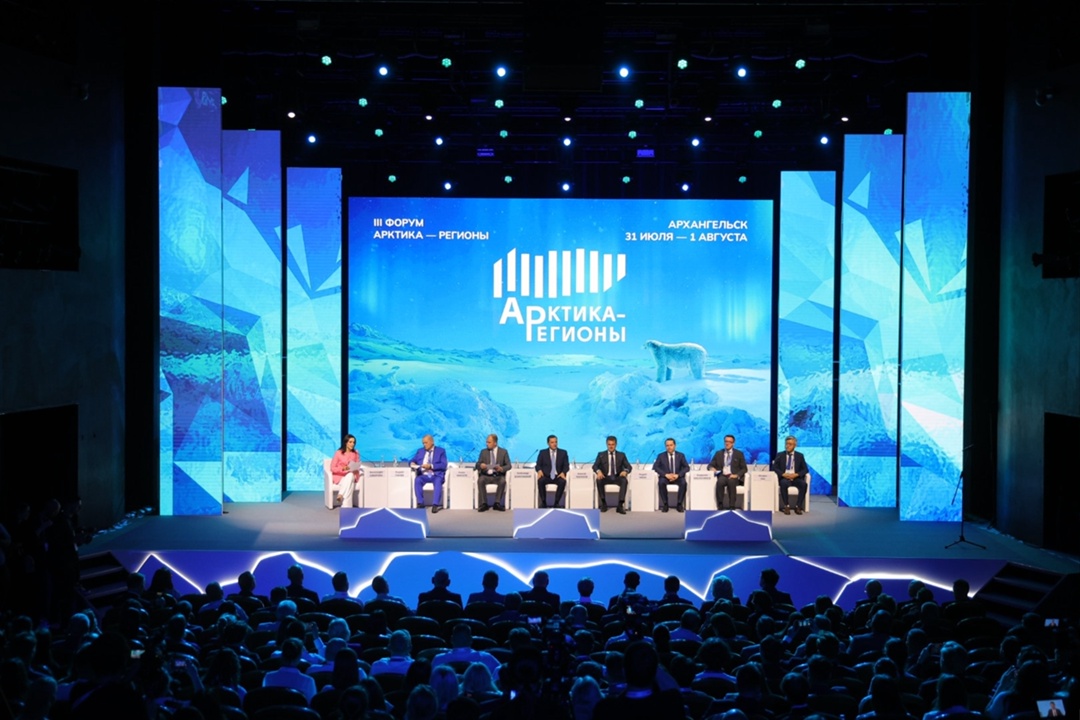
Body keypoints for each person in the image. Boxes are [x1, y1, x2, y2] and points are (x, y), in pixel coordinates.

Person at [592, 435, 631, 514]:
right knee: (599, 480)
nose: (611, 446)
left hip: (617, 477)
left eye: (612, 444)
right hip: (605, 477)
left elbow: (629, 466)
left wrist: (625, 471)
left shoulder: (621, 455)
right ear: (606, 444)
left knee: (624, 481)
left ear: (616, 445)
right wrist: (598, 471)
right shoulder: (601, 455)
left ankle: (620, 505)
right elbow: (595, 466)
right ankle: (603, 503)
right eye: (609, 444)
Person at [707, 434, 748, 510]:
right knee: (720, 482)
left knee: (731, 482)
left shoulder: (739, 454)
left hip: (733, 476)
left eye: (729, 442)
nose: (727, 443)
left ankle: (732, 506)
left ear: (733, 443)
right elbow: (710, 465)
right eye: (726, 441)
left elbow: (744, 469)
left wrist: (737, 475)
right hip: (722, 475)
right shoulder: (719, 453)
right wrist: (712, 468)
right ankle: (720, 505)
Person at [409, 434, 447, 513]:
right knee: (417, 480)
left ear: (432, 442)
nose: (424, 445)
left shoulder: (441, 451)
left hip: (435, 475)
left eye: (426, 443)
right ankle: (420, 503)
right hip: (424, 475)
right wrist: (412, 463)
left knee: (438, 481)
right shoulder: (420, 451)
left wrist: (431, 466)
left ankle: (435, 505)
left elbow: (444, 465)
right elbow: (412, 460)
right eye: (423, 443)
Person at [772, 435, 808, 515]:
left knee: (804, 484)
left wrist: (796, 474)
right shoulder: (780, 455)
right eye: (786, 444)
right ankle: (786, 506)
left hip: (796, 478)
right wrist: (783, 474)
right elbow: (774, 467)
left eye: (790, 444)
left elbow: (805, 469)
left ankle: (798, 506)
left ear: (795, 445)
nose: (787, 446)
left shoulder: (800, 456)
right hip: (785, 477)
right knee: (783, 483)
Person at [652, 437, 689, 512]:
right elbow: (655, 467)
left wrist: (678, 475)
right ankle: (665, 504)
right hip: (665, 477)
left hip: (677, 477)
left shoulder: (681, 455)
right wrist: (665, 475)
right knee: (661, 482)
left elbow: (687, 467)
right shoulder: (661, 456)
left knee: (683, 483)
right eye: (667, 445)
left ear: (675, 445)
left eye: (671, 445)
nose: (669, 447)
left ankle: (679, 504)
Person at [475, 434, 510, 512]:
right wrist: (481, 465)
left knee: (502, 481)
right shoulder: (483, 452)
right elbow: (477, 464)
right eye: (486, 442)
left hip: (497, 476)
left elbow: (509, 465)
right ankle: (484, 504)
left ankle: (497, 503)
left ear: (495, 443)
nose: (487, 444)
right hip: (486, 476)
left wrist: (501, 468)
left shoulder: (503, 452)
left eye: (489, 442)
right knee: (480, 480)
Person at [535, 434, 569, 508]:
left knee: (562, 481)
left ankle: (556, 503)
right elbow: (538, 465)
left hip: (558, 476)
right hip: (546, 475)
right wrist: (539, 470)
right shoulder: (543, 453)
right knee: (540, 481)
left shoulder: (563, 453)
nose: (554, 444)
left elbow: (566, 466)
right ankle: (543, 503)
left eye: (556, 442)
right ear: (548, 443)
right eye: (552, 442)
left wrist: (563, 472)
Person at [331, 434, 362, 508]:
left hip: (352, 475)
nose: (352, 444)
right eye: (350, 442)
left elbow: (357, 465)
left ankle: (340, 494)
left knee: (350, 475)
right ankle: (347, 507)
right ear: (346, 442)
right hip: (340, 477)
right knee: (349, 485)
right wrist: (343, 469)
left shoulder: (356, 453)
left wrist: (356, 468)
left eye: (353, 442)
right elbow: (332, 468)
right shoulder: (338, 453)